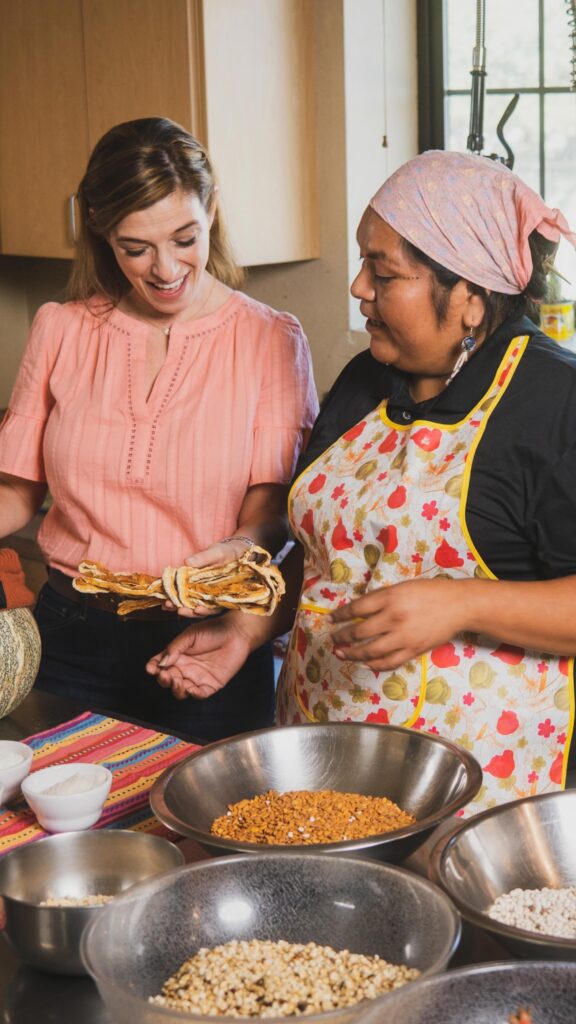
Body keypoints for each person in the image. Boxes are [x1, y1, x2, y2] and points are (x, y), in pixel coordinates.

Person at [148, 149, 576, 812]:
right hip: (322, 765)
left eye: (383, 271)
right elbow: (325, 561)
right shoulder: (365, 380)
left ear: (469, 297)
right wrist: (247, 630)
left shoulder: (555, 403)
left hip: (474, 799)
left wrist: (460, 604)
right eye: (362, 262)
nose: (358, 287)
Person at [0, 117, 318, 742]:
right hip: (68, 636)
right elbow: (16, 495)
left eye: (184, 238)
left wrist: (236, 550)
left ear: (212, 211)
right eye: (135, 247)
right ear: (100, 233)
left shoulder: (270, 339)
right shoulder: (60, 328)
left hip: (206, 644)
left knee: (205, 835)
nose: (166, 269)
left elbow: (271, 512)